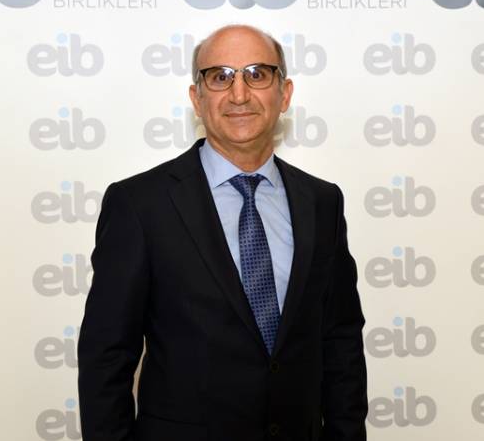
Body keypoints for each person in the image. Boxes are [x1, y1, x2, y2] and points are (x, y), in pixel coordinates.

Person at [77, 24, 367, 441]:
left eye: (257, 74)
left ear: (285, 94)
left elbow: (340, 343)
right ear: (197, 99)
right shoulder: (140, 205)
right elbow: (106, 356)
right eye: (220, 77)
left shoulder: (322, 202)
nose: (239, 94)